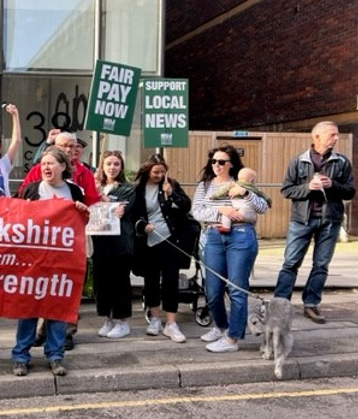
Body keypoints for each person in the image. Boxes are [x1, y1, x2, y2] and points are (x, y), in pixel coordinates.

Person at [12, 147, 89, 377]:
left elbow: (83, 224)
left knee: (58, 308)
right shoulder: (31, 190)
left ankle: (55, 356)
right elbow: (16, 221)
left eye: (51, 163)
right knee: (28, 308)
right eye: (43, 163)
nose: (45, 167)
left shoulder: (75, 191)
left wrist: (83, 212)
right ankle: (20, 356)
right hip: (33, 260)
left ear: (63, 167)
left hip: (63, 261)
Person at [21, 131, 100, 350]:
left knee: (69, 287)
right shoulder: (40, 170)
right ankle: (42, 329)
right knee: (42, 286)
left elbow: (92, 204)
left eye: (72, 146)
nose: (69, 150)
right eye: (64, 146)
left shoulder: (83, 174)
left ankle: (66, 332)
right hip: (42, 243)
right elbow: (23, 197)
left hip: (71, 242)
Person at [273, 122, 355, 323]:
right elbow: (287, 190)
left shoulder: (342, 162)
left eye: (337, 135)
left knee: (321, 265)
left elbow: (350, 191)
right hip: (301, 221)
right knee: (291, 263)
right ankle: (280, 305)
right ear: (316, 137)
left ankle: (311, 304)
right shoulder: (298, 162)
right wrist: (308, 187)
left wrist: (333, 185)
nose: (336, 138)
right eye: (332, 134)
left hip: (330, 221)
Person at [192, 145, 268, 352]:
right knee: (213, 290)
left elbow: (263, 207)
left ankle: (233, 338)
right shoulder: (205, 185)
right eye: (214, 161)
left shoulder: (243, 182)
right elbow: (197, 211)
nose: (216, 165)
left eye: (221, 162)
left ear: (231, 164)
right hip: (214, 236)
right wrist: (221, 210)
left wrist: (246, 193)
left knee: (236, 288)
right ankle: (221, 327)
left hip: (241, 236)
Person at [131, 154, 191, 343]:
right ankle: (155, 318)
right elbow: (134, 214)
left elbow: (186, 206)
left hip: (170, 239)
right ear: (148, 171)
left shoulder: (171, 185)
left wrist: (171, 193)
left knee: (171, 280)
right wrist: (142, 225)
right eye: (156, 172)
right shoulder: (138, 189)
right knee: (151, 280)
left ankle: (171, 323)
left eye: (162, 172)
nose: (159, 175)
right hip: (149, 240)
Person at [92, 150, 135, 339]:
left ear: (121, 167)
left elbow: (120, 210)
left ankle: (122, 320)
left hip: (120, 242)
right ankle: (107, 318)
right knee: (102, 282)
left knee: (119, 281)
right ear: (102, 166)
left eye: (116, 164)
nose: (112, 167)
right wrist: (95, 190)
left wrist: (100, 197)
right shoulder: (95, 186)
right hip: (100, 241)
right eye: (108, 164)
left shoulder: (128, 188)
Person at [211, 167, 272, 233]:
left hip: (238, 211)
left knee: (226, 215)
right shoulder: (256, 189)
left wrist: (214, 196)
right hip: (250, 213)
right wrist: (269, 202)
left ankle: (226, 227)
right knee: (250, 222)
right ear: (251, 181)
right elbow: (264, 196)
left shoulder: (233, 185)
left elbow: (221, 192)